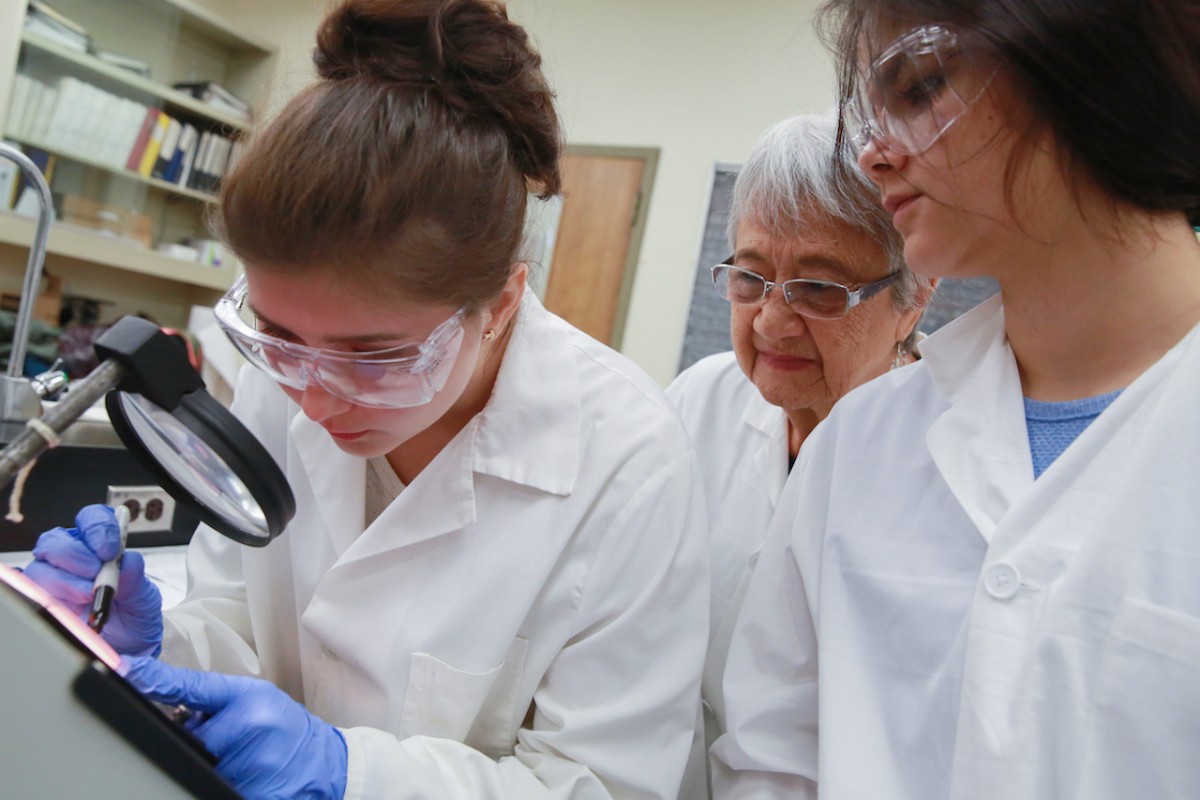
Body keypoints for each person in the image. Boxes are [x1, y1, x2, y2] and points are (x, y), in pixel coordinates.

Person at [22, 1, 710, 798]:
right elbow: (242, 621)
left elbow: (604, 784)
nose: (313, 402)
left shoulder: (629, 462)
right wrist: (150, 645)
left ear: (501, 304)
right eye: (278, 336)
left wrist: (352, 775)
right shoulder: (284, 377)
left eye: (375, 357)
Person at [711, 0, 1200, 797]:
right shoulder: (860, 445)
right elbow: (773, 763)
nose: (873, 156)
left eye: (920, 88)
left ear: (1089, 53)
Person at [665, 112, 931, 797]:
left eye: (819, 290)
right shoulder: (698, 404)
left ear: (915, 296)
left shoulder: (946, 464)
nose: (772, 321)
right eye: (750, 278)